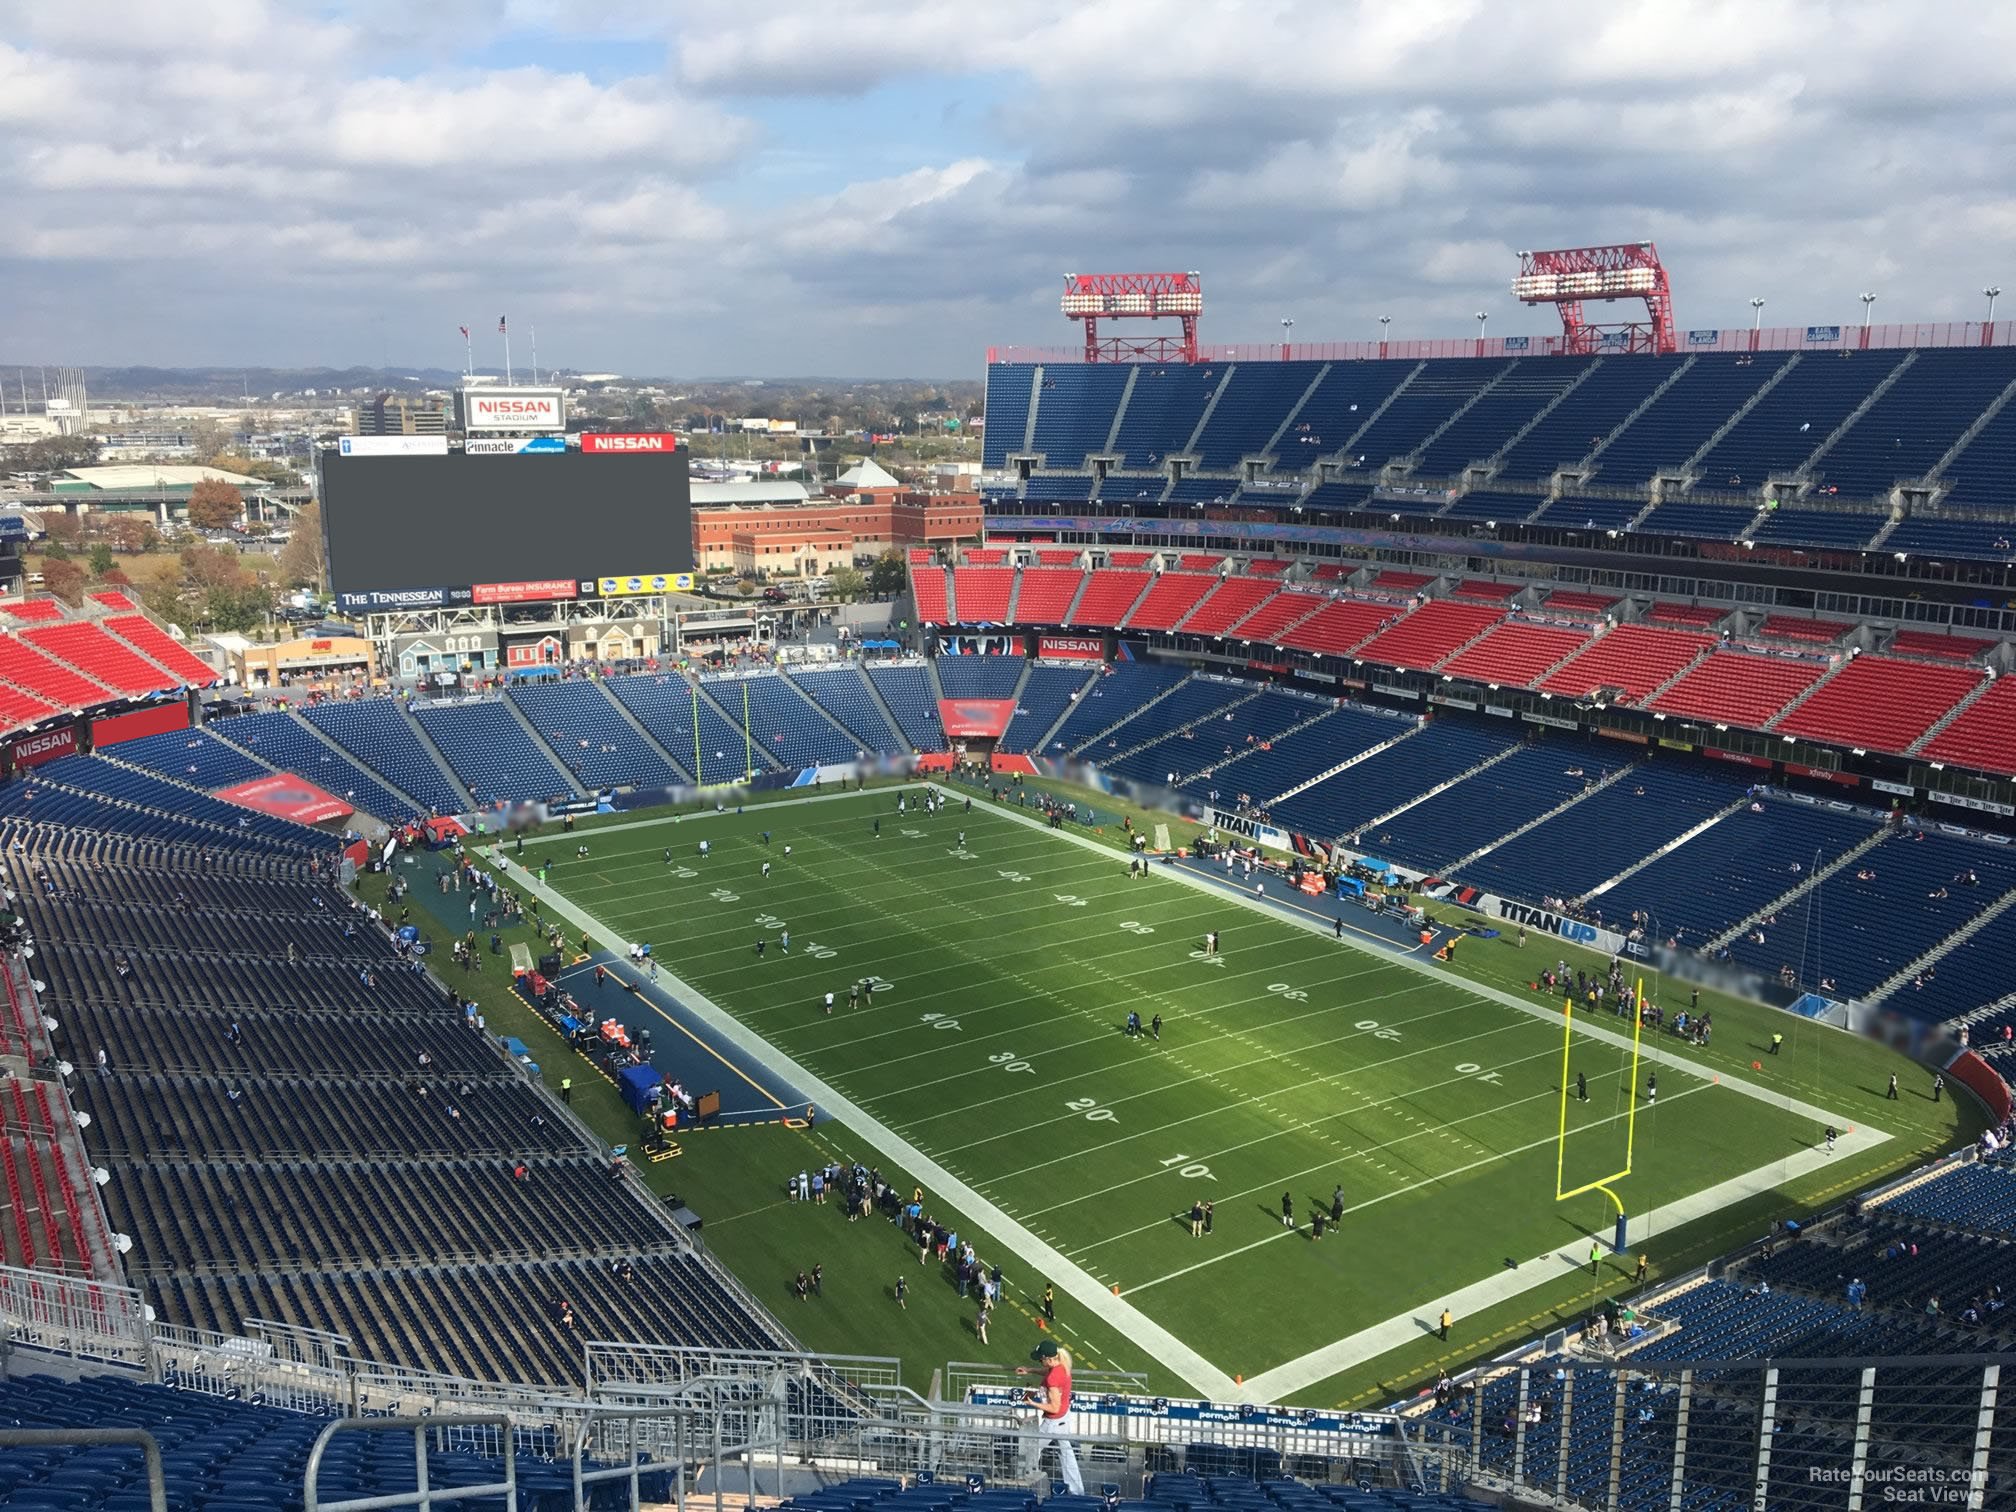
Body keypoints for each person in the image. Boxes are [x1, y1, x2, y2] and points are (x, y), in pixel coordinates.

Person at [1027, 1340, 1083, 1496]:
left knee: (1032, 1449)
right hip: (1063, 1417)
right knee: (1066, 1453)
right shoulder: (1062, 1366)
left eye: (1040, 1360)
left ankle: (1025, 1482)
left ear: (1048, 1359)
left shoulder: (1053, 1378)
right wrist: (1030, 1370)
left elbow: (1053, 1408)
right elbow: (1048, 1373)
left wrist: (1032, 1403)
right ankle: (1077, 1491)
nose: (1040, 1362)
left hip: (1053, 1421)